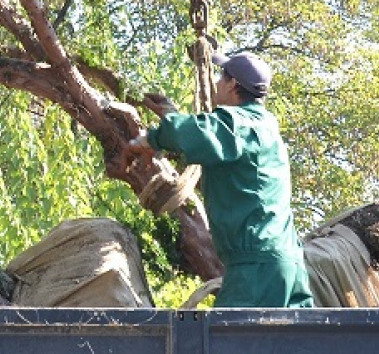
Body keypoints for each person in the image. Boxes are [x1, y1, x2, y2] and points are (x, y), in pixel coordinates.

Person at [122, 51, 314, 308]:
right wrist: (172, 115)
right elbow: (209, 140)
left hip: (256, 270)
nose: (215, 82)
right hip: (287, 265)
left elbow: (200, 132)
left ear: (233, 84)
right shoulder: (264, 125)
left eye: (221, 77)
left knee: (226, 345)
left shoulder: (239, 125)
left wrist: (147, 140)